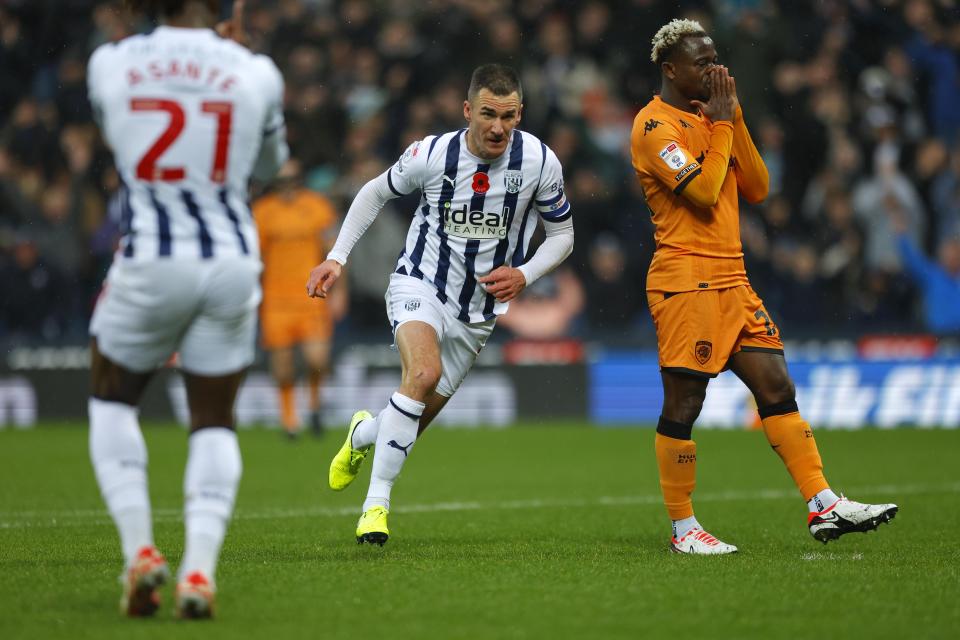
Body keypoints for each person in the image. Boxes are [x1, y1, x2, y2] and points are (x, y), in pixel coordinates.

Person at [630, 19, 897, 555]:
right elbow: (704, 192)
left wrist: (734, 119)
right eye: (701, 62)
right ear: (670, 69)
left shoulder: (716, 117)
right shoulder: (653, 128)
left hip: (733, 278)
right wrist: (723, 127)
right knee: (685, 403)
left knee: (777, 388)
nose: (714, 68)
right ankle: (684, 529)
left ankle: (822, 502)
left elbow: (757, 186)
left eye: (715, 58)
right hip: (686, 281)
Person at [307, 63, 574, 545]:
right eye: (489, 114)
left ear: (521, 114)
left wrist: (525, 273)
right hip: (420, 284)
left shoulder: (539, 161)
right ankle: (375, 507)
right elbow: (374, 192)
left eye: (509, 116)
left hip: (478, 314)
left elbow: (563, 235)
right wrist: (336, 258)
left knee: (411, 419)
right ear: (468, 109)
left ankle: (363, 435)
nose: (498, 127)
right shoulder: (431, 154)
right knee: (422, 375)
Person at [86, 0, 287, 618]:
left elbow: (120, 139)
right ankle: (198, 571)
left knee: (112, 398)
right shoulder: (256, 71)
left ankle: (140, 553)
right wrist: (235, 57)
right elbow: (270, 167)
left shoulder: (110, 64)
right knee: (213, 418)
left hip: (150, 258)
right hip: (230, 262)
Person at [253, 158, 345, 438]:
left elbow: (335, 254)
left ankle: (314, 405)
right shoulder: (263, 212)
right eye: (282, 182)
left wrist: (340, 291)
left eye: (293, 180)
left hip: (312, 295)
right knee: (282, 364)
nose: (288, 187)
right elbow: (255, 259)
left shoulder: (317, 207)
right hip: (275, 298)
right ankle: (289, 418)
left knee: (317, 357)